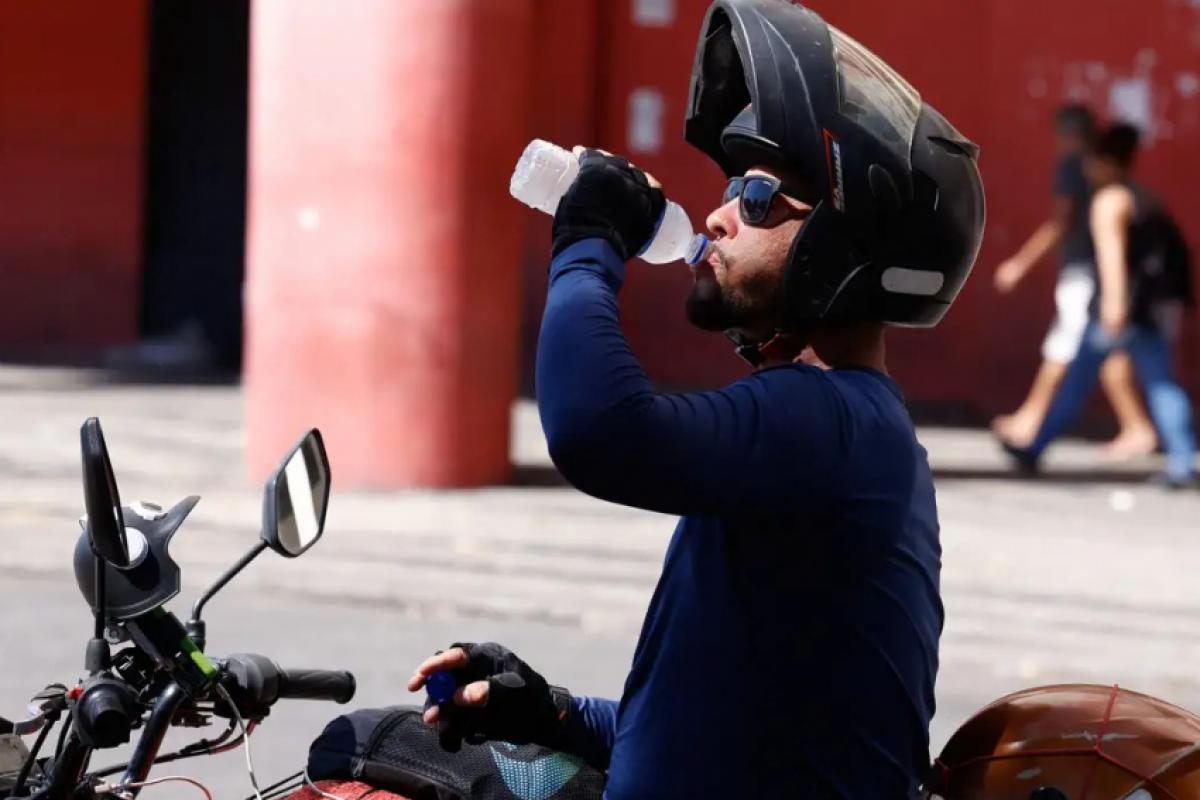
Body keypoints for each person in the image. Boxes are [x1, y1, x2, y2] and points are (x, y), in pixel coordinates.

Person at [408, 2, 985, 796]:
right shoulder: (834, 432)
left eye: (755, 197)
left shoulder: (830, 419)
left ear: (842, 246)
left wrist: (586, 238)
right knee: (365, 746)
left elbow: (597, 430)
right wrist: (553, 712)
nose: (715, 216)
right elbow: (717, 727)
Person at [1003, 123, 1196, 487]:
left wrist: (1113, 305)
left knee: (1077, 381)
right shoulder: (1145, 197)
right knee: (1161, 384)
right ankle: (1183, 461)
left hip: (1118, 310)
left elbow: (1112, 258)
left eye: (1092, 162)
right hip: (1150, 310)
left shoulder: (1108, 201)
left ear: (1106, 161)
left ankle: (1035, 447)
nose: (1087, 170)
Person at [993, 104, 1157, 458]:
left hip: (1087, 274)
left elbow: (1062, 222)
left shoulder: (1077, 169)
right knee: (1100, 351)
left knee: (1067, 348)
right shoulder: (1111, 179)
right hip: (1098, 277)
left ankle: (1036, 424)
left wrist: (1020, 264)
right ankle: (1133, 426)